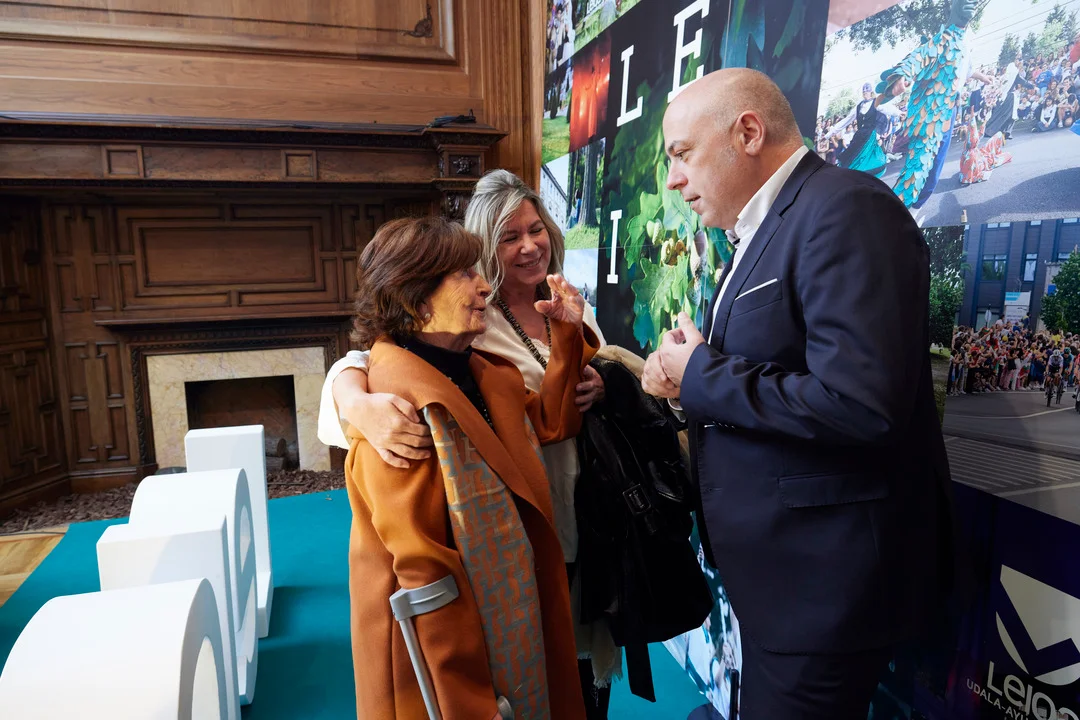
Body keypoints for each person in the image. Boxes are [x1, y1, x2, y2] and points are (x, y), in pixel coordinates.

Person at [640, 68, 953, 719]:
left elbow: (861, 404)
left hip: (825, 595)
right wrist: (687, 381)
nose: (673, 180)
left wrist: (700, 374)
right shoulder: (767, 228)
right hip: (782, 587)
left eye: (682, 154)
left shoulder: (846, 209)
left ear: (749, 132)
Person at [318, 170, 619, 718]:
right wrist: (470, 705)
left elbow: (550, 422)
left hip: (521, 605)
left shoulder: (481, 370)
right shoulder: (397, 412)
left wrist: (568, 336)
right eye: (465, 273)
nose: (484, 286)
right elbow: (424, 585)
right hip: (443, 675)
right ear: (416, 301)